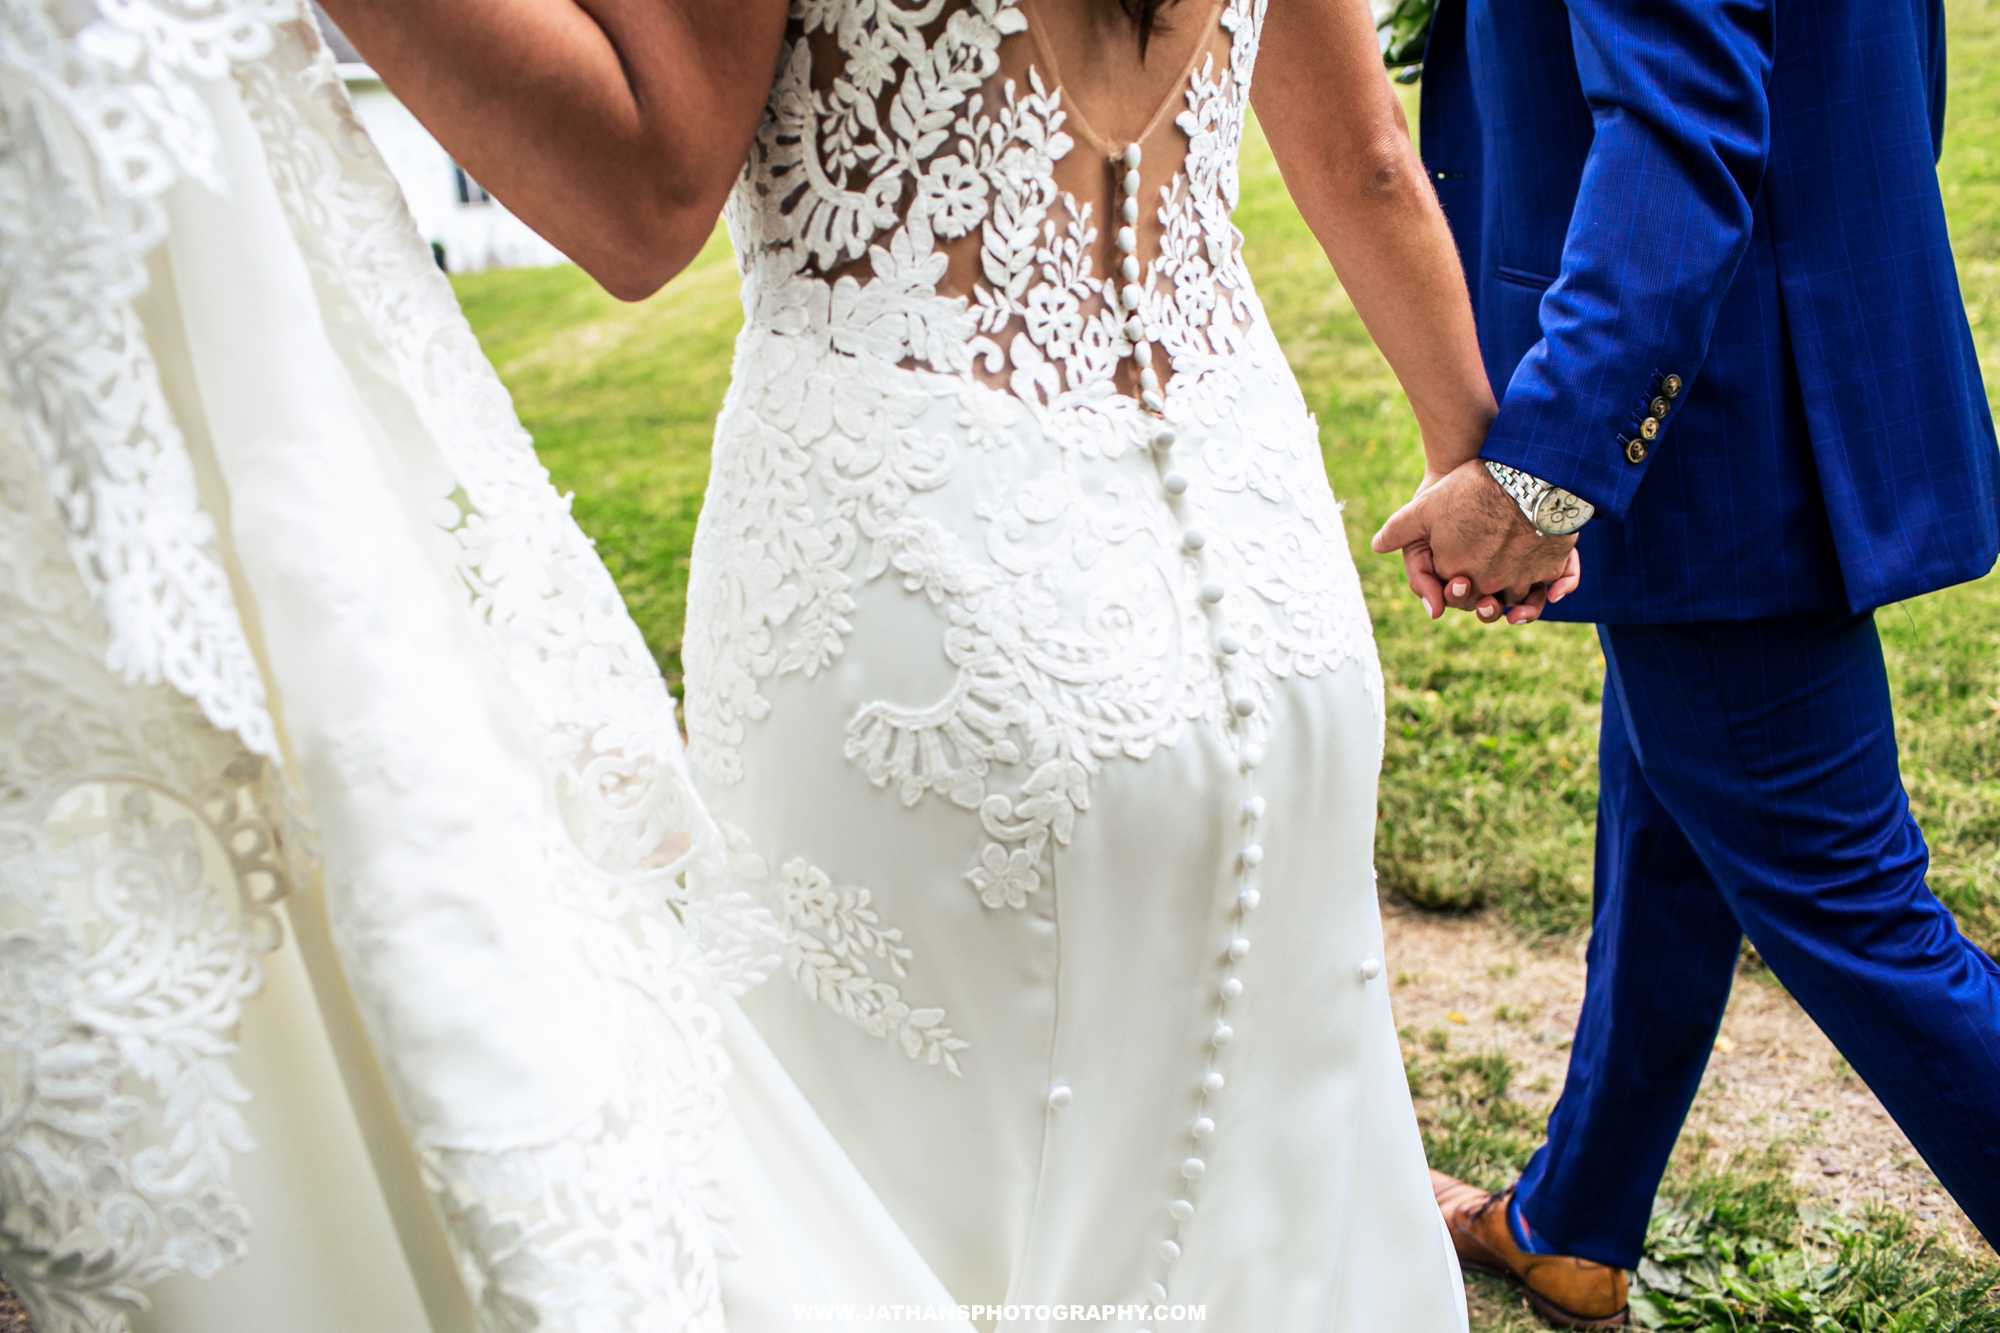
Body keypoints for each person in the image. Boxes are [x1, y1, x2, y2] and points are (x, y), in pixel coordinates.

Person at [2, 0, 1562, 1328]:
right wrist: (1491, 471)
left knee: (888, 1203)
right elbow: (1364, 158)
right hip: (1266, 577)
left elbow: (646, 179)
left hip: (929, 590)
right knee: (1261, 1177)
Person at [1372, 0, 2000, 1326]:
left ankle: (1574, 1212)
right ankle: (1575, 1218)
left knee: (1851, 902)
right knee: (1673, 821)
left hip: (1722, 410)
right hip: (1766, 361)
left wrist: (1545, 469)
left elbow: (1682, 119)